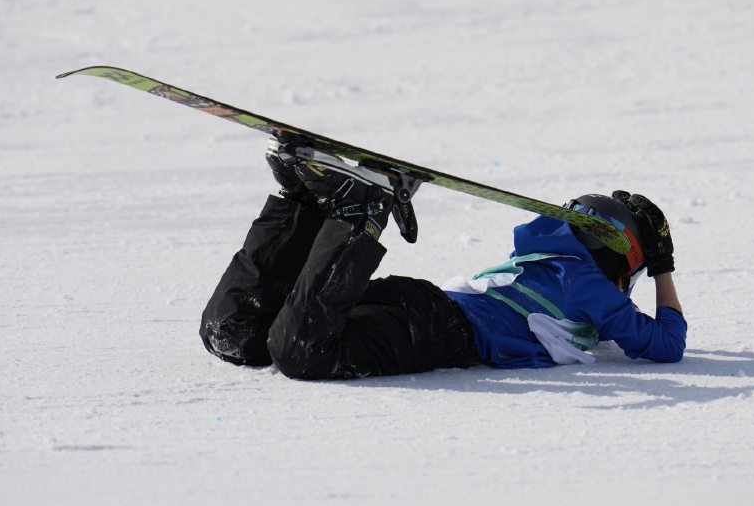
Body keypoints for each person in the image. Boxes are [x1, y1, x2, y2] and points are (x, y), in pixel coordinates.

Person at [199, 139, 687, 380]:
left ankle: (305, 205)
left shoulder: (542, 255)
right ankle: (359, 215)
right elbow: (666, 344)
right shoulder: (593, 290)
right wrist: (663, 266)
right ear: (619, 257)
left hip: (421, 304)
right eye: (635, 272)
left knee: (239, 337)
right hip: (436, 329)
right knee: (300, 351)